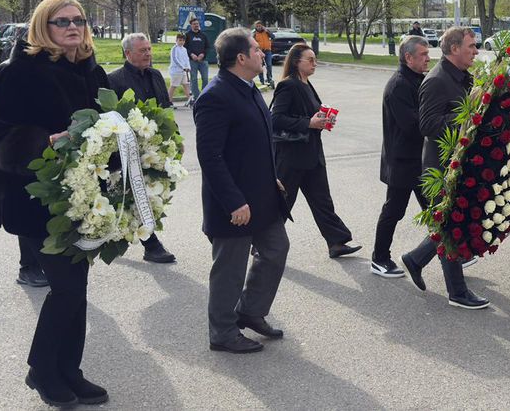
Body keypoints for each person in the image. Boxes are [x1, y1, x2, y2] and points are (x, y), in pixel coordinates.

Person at [0, 0, 111, 405]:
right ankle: (41, 370)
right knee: (67, 288)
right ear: (42, 27)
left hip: (85, 198)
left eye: (79, 20)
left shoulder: (93, 72)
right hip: (38, 201)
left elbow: (111, 127)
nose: (72, 27)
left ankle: (69, 370)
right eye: (61, 21)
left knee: (77, 287)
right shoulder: (19, 72)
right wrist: (44, 144)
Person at [195, 27, 291, 354]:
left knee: (276, 250)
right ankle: (222, 333)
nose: (263, 52)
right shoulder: (215, 96)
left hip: (263, 196)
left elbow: (258, 142)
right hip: (234, 204)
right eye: (256, 49)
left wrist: (271, 177)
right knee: (230, 270)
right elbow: (210, 156)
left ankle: (250, 312)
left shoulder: (249, 88)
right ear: (240, 58)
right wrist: (234, 201)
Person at [401, 27, 489, 309]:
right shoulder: (436, 81)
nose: (476, 51)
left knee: (451, 223)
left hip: (461, 162)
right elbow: (427, 125)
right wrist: (468, 116)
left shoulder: (465, 77)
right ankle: (457, 292)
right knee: (451, 226)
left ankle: (415, 259)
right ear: (454, 49)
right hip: (441, 167)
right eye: (471, 46)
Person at [271, 44, 361, 259]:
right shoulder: (288, 85)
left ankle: (336, 242)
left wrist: (324, 119)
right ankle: (264, 243)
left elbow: (310, 114)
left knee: (322, 200)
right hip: (291, 157)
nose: (314, 63)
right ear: (296, 62)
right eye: (309, 60)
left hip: (312, 155)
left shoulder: (306, 84)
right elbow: (275, 119)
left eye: (315, 59)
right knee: (283, 202)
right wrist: (308, 123)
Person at [106, 33, 177, 264]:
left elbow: (166, 110)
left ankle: (116, 234)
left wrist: (173, 139)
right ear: (128, 54)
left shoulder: (156, 75)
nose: (148, 53)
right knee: (135, 194)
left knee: (148, 193)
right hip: (125, 152)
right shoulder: (114, 80)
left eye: (149, 49)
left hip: (152, 149)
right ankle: (151, 244)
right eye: (143, 50)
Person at [371, 36, 431, 277]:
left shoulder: (417, 80)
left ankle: (454, 253)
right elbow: (412, 125)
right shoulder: (398, 85)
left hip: (419, 160)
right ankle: (379, 258)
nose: (428, 58)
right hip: (403, 161)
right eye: (423, 54)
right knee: (394, 210)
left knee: (435, 209)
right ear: (408, 58)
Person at [185, 17, 210, 102]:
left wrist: (203, 54)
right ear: (191, 25)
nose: (196, 25)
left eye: (197, 24)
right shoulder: (187, 35)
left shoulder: (203, 35)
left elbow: (207, 47)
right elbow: (185, 48)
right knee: (194, 79)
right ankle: (197, 97)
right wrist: (191, 54)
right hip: (192, 61)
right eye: (194, 24)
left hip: (203, 61)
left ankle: (204, 96)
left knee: (205, 79)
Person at [168, 33, 192, 107]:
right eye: (180, 40)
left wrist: (188, 67)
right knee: (173, 86)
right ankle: (168, 102)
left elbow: (186, 59)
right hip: (176, 71)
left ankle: (190, 101)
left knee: (186, 85)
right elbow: (175, 59)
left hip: (184, 72)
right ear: (176, 40)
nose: (181, 42)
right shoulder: (174, 48)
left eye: (183, 40)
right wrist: (183, 67)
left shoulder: (184, 49)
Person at [252, 21, 274, 87]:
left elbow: (273, 36)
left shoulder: (266, 32)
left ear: (262, 26)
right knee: (260, 66)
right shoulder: (254, 33)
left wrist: (267, 31)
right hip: (259, 52)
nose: (259, 27)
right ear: (256, 27)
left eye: (260, 26)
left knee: (269, 65)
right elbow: (252, 42)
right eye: (257, 26)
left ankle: (269, 79)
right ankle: (262, 81)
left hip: (268, 51)